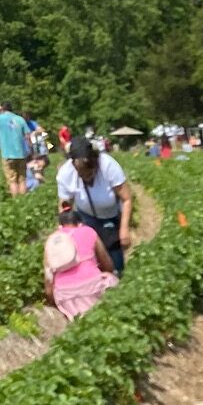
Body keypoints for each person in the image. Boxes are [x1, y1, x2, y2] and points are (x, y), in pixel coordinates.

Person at [56, 134, 133, 274]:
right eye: (82, 174)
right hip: (85, 216)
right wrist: (64, 229)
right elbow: (65, 205)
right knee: (90, 257)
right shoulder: (66, 173)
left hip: (111, 215)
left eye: (89, 173)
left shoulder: (108, 165)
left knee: (115, 257)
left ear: (95, 161)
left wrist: (124, 229)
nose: (86, 177)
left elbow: (126, 199)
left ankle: (117, 279)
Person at [43, 199, 118, 319]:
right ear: (80, 223)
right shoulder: (88, 231)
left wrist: (53, 300)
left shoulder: (52, 239)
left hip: (64, 295)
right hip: (93, 288)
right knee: (112, 281)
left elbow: (48, 280)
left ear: (60, 226)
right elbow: (107, 264)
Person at [0, 103, 32, 197]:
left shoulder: (0, 118)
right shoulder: (20, 119)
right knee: (22, 179)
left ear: (2, 109)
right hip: (21, 154)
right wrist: (30, 150)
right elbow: (28, 136)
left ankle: (16, 201)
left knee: (12, 180)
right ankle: (23, 201)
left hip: (7, 155)